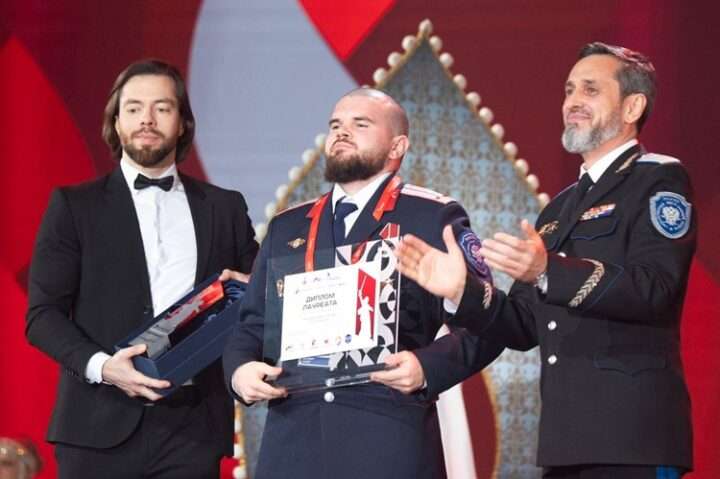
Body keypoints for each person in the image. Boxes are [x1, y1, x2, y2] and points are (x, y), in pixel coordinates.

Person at [395, 42, 695, 478]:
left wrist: (548, 270)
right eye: (569, 90)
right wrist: (463, 291)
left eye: (590, 90)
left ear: (632, 106)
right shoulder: (559, 208)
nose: (572, 101)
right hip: (565, 443)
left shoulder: (659, 178)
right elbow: (521, 325)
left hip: (634, 440)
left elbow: (655, 289)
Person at [223, 88, 502, 479]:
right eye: (335, 124)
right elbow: (251, 324)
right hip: (294, 442)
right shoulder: (288, 226)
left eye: (360, 124)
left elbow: (489, 324)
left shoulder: (431, 216)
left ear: (397, 146)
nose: (341, 132)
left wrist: (426, 367)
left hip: (386, 439)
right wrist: (239, 372)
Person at [26, 60, 259, 478]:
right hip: (96, 426)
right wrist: (103, 367)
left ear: (183, 123)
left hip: (193, 430)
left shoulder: (224, 208)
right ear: (116, 124)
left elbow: (261, 298)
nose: (146, 119)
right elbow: (42, 316)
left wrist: (254, 288)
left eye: (162, 108)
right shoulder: (74, 207)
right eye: (133, 108)